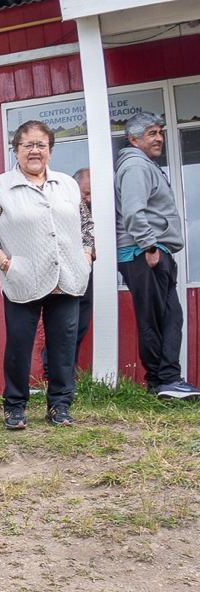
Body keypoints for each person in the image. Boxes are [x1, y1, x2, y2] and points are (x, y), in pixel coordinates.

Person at [0, 120, 93, 429]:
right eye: (27, 144)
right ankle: (14, 406)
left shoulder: (67, 186)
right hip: (22, 277)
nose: (34, 150)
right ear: (16, 150)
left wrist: (86, 256)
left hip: (67, 276)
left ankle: (60, 405)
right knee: (19, 344)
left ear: (50, 151)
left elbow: (86, 226)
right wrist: (5, 263)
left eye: (41, 144)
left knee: (64, 344)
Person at [115, 112, 200, 399]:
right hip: (144, 253)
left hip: (152, 251)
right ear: (133, 139)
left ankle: (165, 381)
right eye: (151, 133)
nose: (159, 138)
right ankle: (161, 381)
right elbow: (133, 212)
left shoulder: (144, 166)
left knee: (170, 317)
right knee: (155, 319)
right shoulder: (136, 167)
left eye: (159, 132)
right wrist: (150, 247)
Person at [41, 168, 94, 380]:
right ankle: (50, 372)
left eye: (92, 195)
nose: (89, 199)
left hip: (85, 269)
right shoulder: (61, 206)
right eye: (86, 193)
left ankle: (66, 373)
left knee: (79, 323)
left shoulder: (95, 211)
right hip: (61, 270)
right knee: (61, 324)